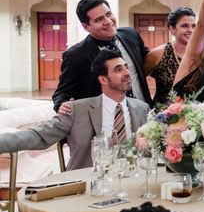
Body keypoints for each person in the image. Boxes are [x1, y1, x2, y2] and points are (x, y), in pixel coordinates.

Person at [0, 50, 149, 170]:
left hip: (132, 180)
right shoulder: (76, 110)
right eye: (118, 69)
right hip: (88, 182)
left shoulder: (142, 109)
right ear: (103, 79)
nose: (127, 73)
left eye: (126, 67)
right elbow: (39, 136)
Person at [52, 0, 151, 112]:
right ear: (86, 27)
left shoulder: (131, 35)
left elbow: (152, 62)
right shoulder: (75, 56)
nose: (108, 21)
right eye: (99, 19)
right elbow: (63, 92)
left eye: (109, 14)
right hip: (108, 122)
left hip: (144, 114)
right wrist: (61, 104)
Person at [143, 7, 196, 106]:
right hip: (163, 117)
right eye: (185, 26)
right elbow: (138, 81)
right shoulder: (158, 54)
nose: (191, 30)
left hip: (197, 116)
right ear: (172, 28)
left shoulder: (200, 54)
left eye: (193, 26)